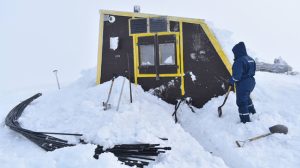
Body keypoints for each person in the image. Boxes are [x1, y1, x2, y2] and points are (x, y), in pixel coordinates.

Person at [229, 42, 256, 123]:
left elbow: (237, 76)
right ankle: (252, 112)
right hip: (251, 82)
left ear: (237, 51)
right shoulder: (250, 59)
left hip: (243, 83)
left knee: (241, 101)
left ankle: (245, 121)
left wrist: (231, 81)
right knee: (246, 97)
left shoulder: (239, 61)